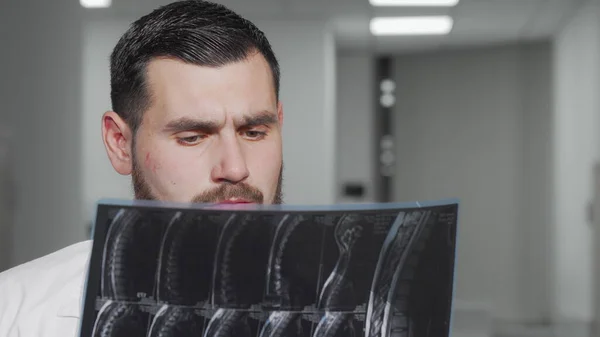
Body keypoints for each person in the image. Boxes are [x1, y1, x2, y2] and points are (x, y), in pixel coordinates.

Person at [0, 1, 285, 336]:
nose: (235, 168)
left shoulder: (360, 308)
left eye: (254, 132)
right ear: (120, 143)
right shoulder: (15, 314)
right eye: (192, 137)